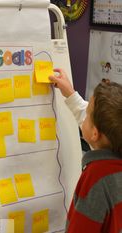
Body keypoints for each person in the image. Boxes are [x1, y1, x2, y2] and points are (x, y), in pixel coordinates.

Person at [49, 68, 122, 233]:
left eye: (88, 114)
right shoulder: (114, 148)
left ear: (95, 133)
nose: (85, 116)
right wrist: (70, 93)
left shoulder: (96, 178)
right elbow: (91, 122)